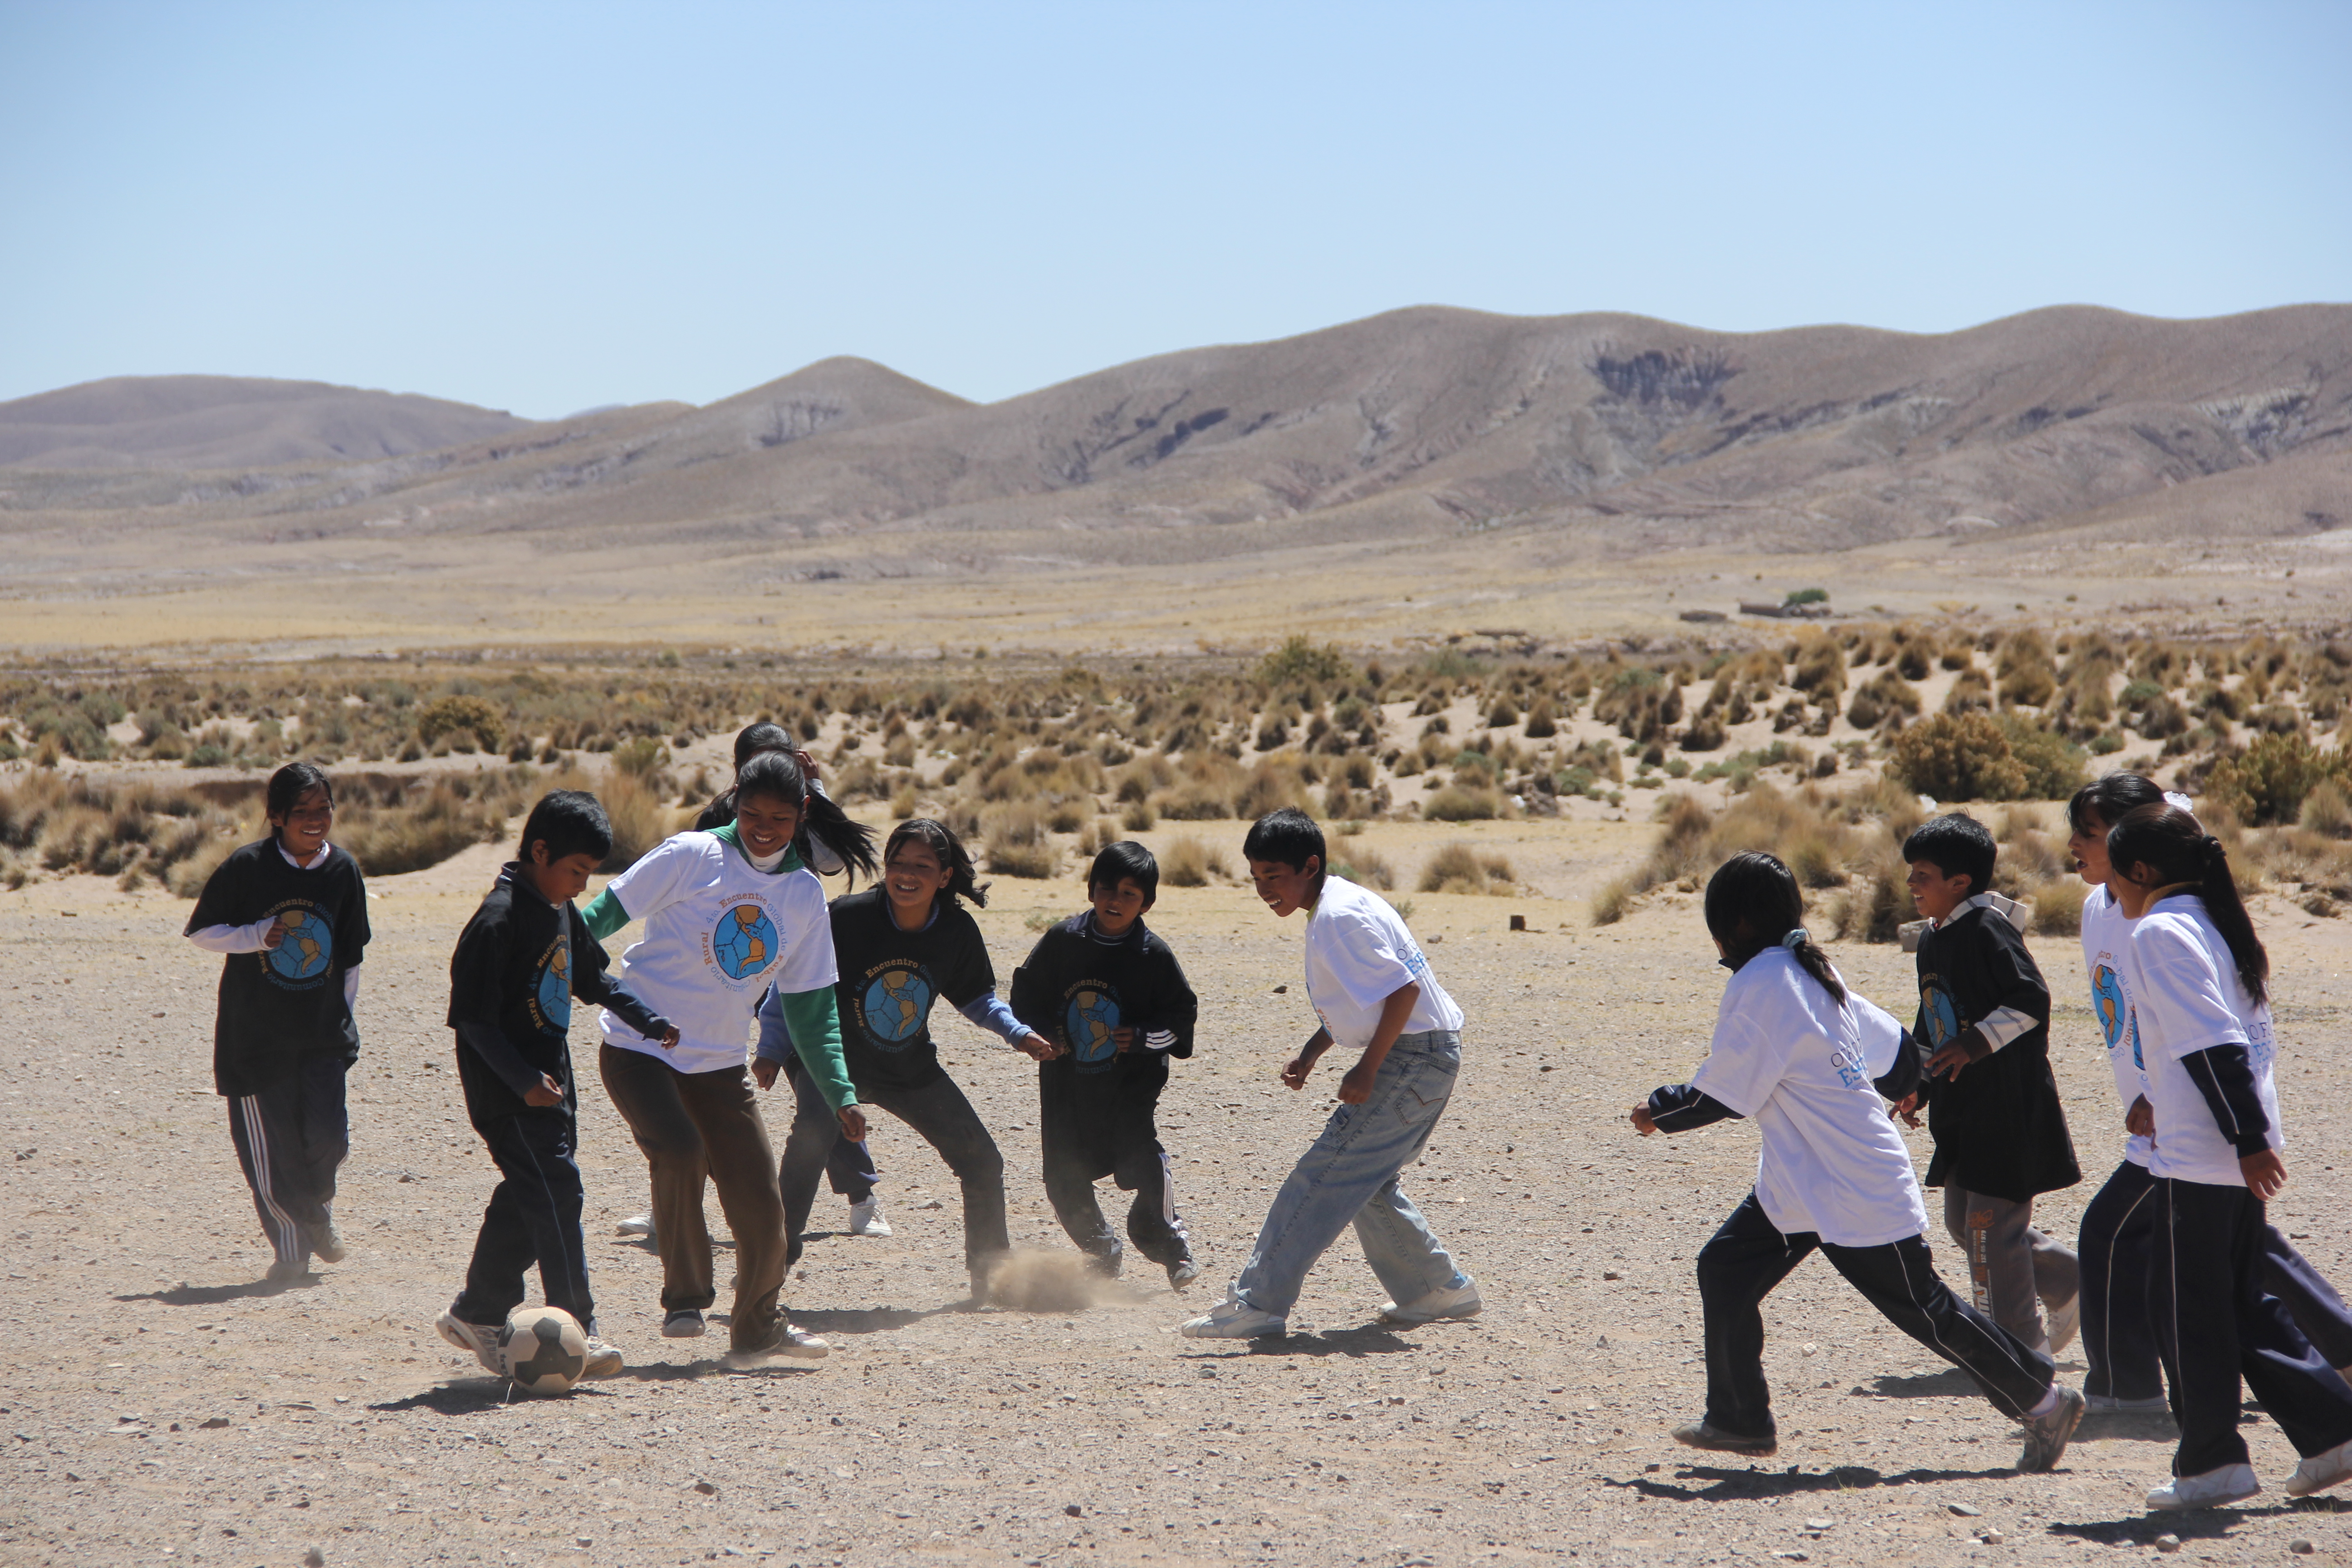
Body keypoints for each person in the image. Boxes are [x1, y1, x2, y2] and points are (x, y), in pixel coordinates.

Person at [1631, 851, 2084, 1470]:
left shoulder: (1763, 982)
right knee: (1726, 1270)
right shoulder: (1810, 970)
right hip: (1801, 1184)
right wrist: (1907, 1084)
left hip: (1854, 1186)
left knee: (1928, 1312)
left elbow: (1725, 1094)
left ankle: (2045, 1401)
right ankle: (1738, 1419)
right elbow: (1899, 1051)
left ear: (1734, 925)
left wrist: (1661, 1111)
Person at [2068, 776, 2352, 1418]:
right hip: (2179, 1114)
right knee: (2242, 1258)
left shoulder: (2170, 924)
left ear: (2134, 847)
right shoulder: (2106, 911)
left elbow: (2211, 1030)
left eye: (2089, 834)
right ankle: (2327, 1390)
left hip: (2191, 1120)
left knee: (2123, 1239)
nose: (2073, 846)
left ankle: (2133, 1395)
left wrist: (2160, 1097)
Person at [580, 750, 871, 1365]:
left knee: (763, 1207)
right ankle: (686, 1298)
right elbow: (607, 910)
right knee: (679, 1150)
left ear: (803, 814)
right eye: (752, 812)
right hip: (641, 1047)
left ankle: (757, 1328)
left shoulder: (802, 895)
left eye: (781, 818)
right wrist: (551, 955)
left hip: (718, 1064)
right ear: (735, 801)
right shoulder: (693, 856)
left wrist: (841, 1091)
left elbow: (812, 1009)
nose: (764, 827)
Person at [1180, 808, 1478, 1338]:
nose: (1264, 889)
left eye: (1274, 876)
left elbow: (1404, 991)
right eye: (1256, 878)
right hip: (1428, 1054)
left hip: (1415, 1058)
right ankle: (1437, 1289)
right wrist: (1314, 1051)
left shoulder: (1339, 917)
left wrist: (1366, 1068)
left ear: (1310, 866)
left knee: (1323, 1175)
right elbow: (1364, 999)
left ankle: (1259, 1302)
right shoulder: (1339, 904)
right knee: (1363, 1179)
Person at [434, 791, 677, 1380]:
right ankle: (581, 1327)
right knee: (557, 1190)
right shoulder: (497, 921)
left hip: (552, 1082)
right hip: (508, 1090)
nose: (581, 885)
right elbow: (474, 1022)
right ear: (539, 851)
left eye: (590, 875)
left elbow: (592, 977)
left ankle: (479, 1309)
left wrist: (649, 1019)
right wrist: (521, 1083)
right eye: (576, 871)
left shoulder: (558, 909)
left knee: (530, 1192)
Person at [756, 818, 1050, 1303]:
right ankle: (766, 1272)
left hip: (907, 1068)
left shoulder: (955, 931)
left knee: (982, 1160)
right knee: (810, 1139)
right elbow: (792, 984)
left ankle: (994, 1280)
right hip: (832, 1062)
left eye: (922, 866)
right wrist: (770, 1049)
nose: (906, 875)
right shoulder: (847, 918)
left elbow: (978, 999)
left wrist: (1018, 1034)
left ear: (945, 876)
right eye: (897, 863)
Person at [622, 722, 885, 1240]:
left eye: (785, 760)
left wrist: (818, 789)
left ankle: (862, 1195)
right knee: (685, 1083)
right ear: (739, 772)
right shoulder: (723, 818)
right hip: (721, 964)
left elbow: (833, 863)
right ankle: (674, 1199)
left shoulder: (799, 809)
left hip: (788, 959)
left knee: (816, 1080)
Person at [184, 762, 371, 1283]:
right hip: (256, 1038)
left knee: (328, 1138)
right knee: (274, 1151)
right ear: (276, 817)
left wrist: (344, 1020)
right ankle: (293, 1250)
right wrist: (254, 934)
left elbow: (351, 958)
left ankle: (314, 1212)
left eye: (323, 809)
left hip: (320, 1034)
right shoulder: (248, 867)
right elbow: (201, 932)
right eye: (302, 812)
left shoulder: (343, 872)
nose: (315, 821)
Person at [1904, 813, 2082, 1355]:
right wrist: (1918, 1082)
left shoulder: (1987, 928)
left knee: (1988, 1232)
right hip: (1964, 1112)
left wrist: (1977, 1043)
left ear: (1960, 883)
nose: (1912, 884)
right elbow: (1933, 1014)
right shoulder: (1935, 938)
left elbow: (2031, 998)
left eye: (1924, 875)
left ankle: (2019, 1357)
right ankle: (2076, 1282)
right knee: (1965, 1224)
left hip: (2007, 1109)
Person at [1011, 841, 1203, 1289]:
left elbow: (1180, 1017)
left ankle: (1172, 1247)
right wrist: (1041, 1035)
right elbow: (1026, 995)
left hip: (1129, 1089)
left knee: (1146, 1163)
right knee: (1061, 1176)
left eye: (1130, 894)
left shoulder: (1152, 956)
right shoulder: (1062, 941)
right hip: (1066, 1088)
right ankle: (1101, 1250)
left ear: (1148, 903)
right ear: (1091, 890)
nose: (1115, 901)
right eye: (1106, 889)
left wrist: (1140, 1038)